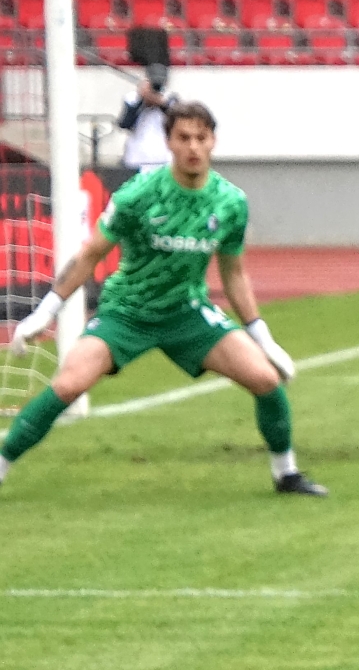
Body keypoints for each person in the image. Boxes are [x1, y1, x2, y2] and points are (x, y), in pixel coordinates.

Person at [0, 102, 323, 497]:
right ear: (169, 142)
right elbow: (90, 255)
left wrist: (261, 335)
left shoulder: (230, 202)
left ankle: (286, 474)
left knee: (265, 380)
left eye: (201, 138)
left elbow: (234, 273)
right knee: (68, 385)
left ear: (213, 142)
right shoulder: (139, 195)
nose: (192, 146)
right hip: (127, 312)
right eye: (183, 137)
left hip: (188, 314)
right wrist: (46, 310)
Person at [116, 63, 174, 170]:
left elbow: (176, 121)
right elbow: (124, 124)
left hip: (163, 158)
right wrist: (141, 101)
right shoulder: (132, 98)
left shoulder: (170, 99)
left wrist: (161, 104)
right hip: (136, 157)